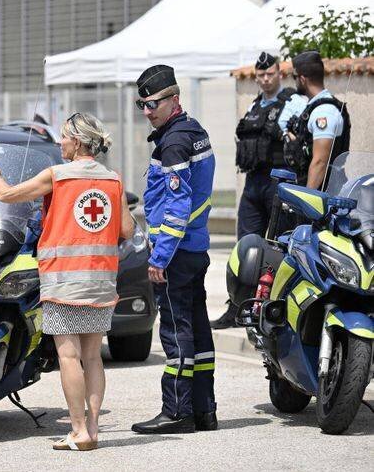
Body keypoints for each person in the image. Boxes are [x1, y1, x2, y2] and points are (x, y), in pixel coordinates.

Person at [0, 112, 135, 452]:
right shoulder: (113, 180)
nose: (59, 142)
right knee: (92, 357)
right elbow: (127, 230)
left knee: (69, 356)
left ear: (77, 142)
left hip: (64, 280)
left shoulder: (58, 176)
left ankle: (77, 430)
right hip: (101, 280)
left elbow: (7, 196)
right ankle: (92, 430)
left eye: (64, 137)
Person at [130, 65, 218, 435]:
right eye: (142, 104)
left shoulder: (175, 143)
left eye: (153, 103)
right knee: (198, 329)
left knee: (176, 331)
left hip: (176, 252)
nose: (147, 111)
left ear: (174, 99)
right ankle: (204, 410)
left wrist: (160, 256)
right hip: (195, 248)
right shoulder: (193, 131)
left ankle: (177, 411)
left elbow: (177, 206)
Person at [211, 52, 303, 329]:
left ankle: (276, 308)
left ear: (280, 74)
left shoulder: (294, 103)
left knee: (279, 245)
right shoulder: (254, 105)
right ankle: (237, 308)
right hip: (253, 182)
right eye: (260, 75)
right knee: (245, 247)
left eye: (269, 74)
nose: (265, 79)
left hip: (280, 181)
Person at [283, 50, 351, 190]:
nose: (294, 81)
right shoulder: (314, 107)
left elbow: (320, 162)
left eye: (295, 77)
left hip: (325, 193)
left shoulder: (324, 111)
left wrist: (307, 198)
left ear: (302, 79)